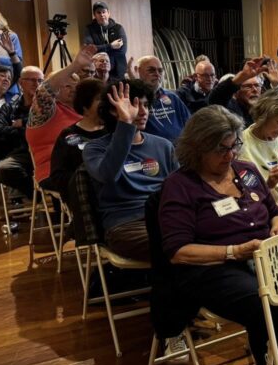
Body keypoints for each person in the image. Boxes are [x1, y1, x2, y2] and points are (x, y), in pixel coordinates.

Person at [157, 106, 278, 365]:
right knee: (267, 303)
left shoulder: (246, 170)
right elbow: (178, 251)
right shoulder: (181, 185)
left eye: (233, 146)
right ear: (198, 147)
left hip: (260, 254)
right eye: (221, 148)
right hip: (211, 269)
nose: (230, 155)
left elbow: (275, 209)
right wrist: (233, 251)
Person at [83, 81, 178, 260]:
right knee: (179, 245)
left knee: (216, 232)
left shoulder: (163, 145)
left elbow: (180, 187)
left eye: (146, 105)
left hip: (166, 217)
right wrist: (125, 122)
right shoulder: (95, 148)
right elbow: (109, 175)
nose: (143, 112)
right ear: (113, 111)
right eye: (134, 105)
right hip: (126, 224)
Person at [26, 44, 97, 186]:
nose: (73, 90)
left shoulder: (85, 111)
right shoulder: (44, 112)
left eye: (75, 86)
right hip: (56, 171)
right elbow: (44, 91)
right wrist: (75, 66)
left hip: (90, 165)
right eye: (67, 86)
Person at [46, 77, 109, 196]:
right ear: (85, 106)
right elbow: (57, 176)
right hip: (86, 194)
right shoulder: (69, 135)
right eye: (99, 99)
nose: (105, 104)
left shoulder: (114, 131)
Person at [0, 66, 45, 199]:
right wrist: (26, 130)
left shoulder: (48, 105)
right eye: (31, 80)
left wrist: (23, 123)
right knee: (4, 169)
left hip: (44, 150)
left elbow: (44, 128)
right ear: (21, 83)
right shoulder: (9, 107)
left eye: (40, 80)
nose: (36, 84)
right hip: (20, 151)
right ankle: (36, 195)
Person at [238, 87, 278, 204]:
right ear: (264, 116)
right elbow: (244, 193)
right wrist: (268, 185)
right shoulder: (242, 143)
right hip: (263, 207)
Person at [136, 55, 191, 143]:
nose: (157, 74)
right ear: (138, 71)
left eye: (160, 71)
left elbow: (190, 123)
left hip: (182, 149)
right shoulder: (135, 100)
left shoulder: (172, 97)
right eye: (151, 70)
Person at [207, 57, 267, 126]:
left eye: (257, 85)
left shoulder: (262, 109)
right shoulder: (231, 109)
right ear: (237, 91)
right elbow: (214, 100)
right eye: (248, 86)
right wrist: (242, 76)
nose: (255, 90)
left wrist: (275, 84)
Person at [82, 2, 128, 80]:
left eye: (104, 12)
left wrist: (100, 50)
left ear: (108, 13)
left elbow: (122, 50)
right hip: (99, 72)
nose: (102, 15)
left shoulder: (118, 28)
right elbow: (89, 49)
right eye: (98, 12)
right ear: (94, 15)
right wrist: (111, 46)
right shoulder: (89, 29)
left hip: (118, 71)